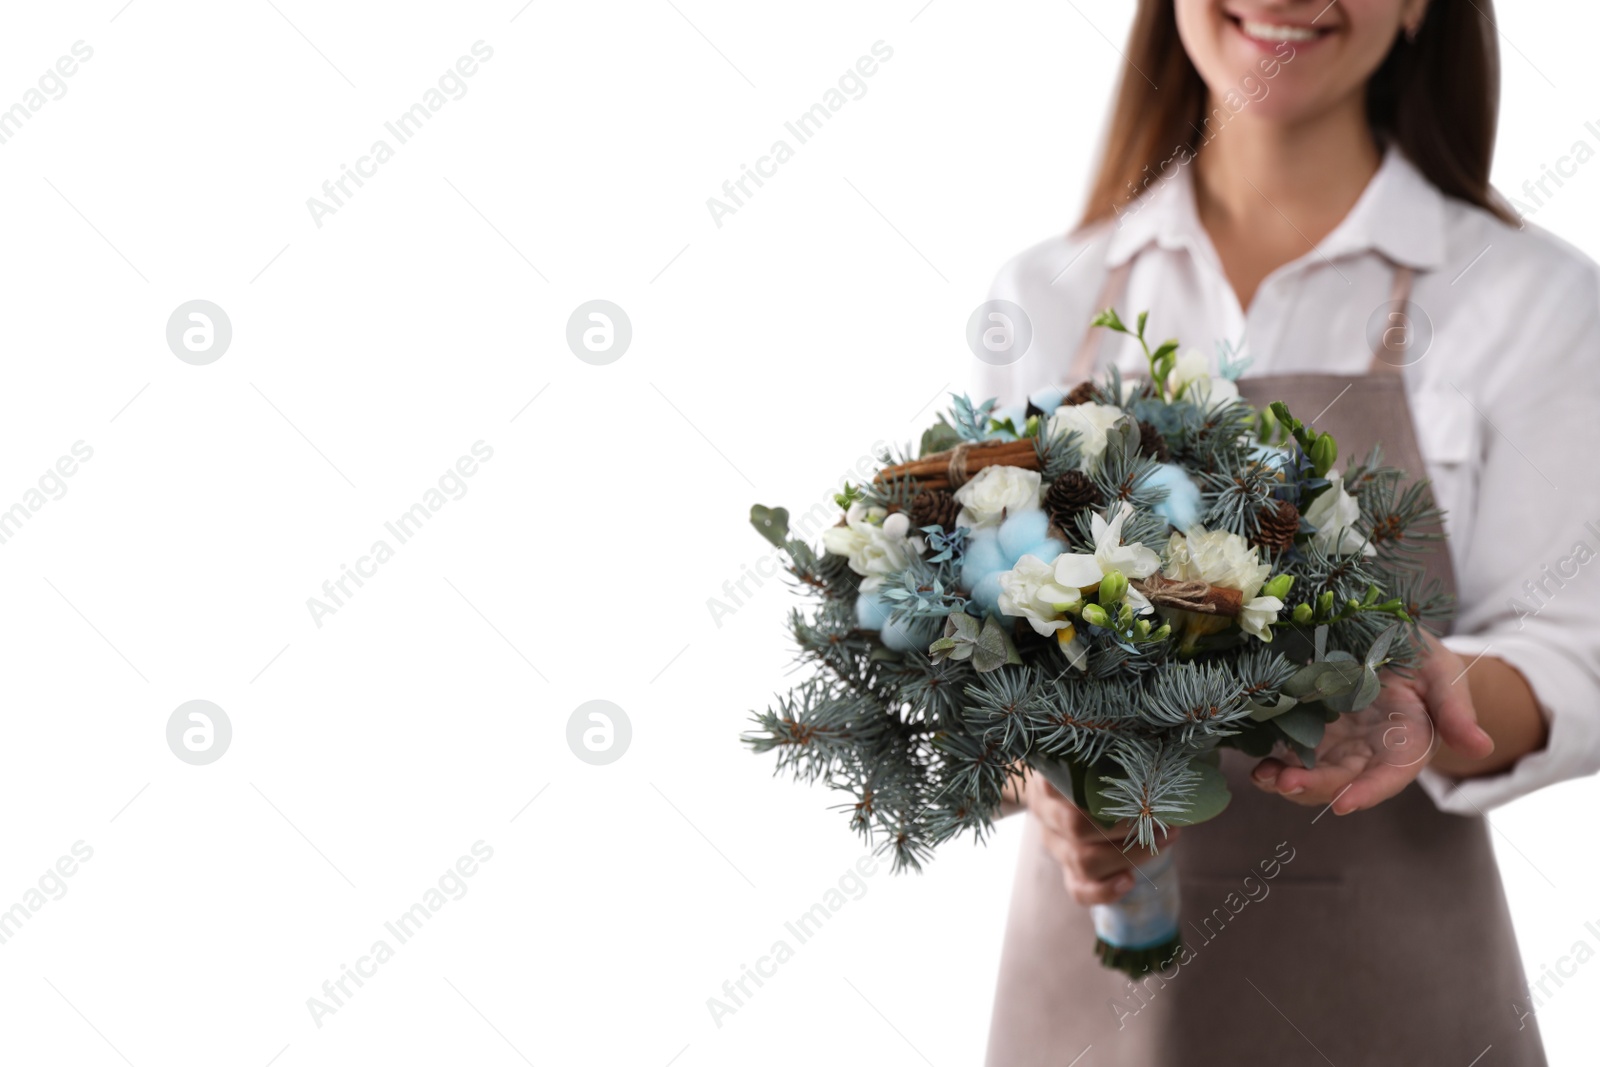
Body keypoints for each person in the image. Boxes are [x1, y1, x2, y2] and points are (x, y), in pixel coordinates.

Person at [974, 1, 1600, 1064]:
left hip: (1394, 988)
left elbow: (1580, 641)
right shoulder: (1050, 294)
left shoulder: (1526, 299)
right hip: (1089, 1003)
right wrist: (1045, 774)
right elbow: (968, 643)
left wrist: (1424, 700)